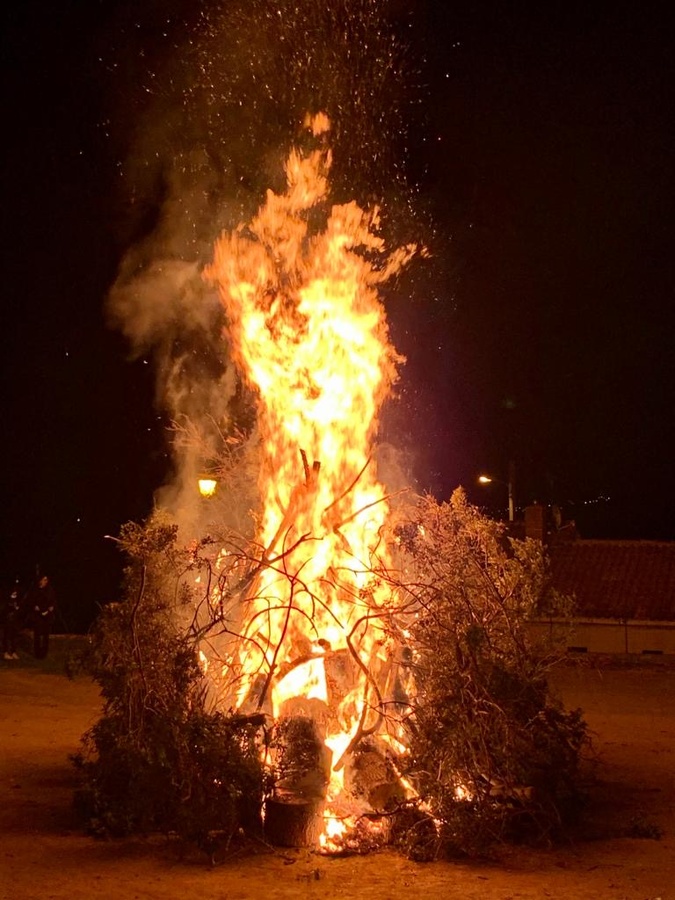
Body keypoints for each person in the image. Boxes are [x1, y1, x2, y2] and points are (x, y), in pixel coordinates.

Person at [29, 575, 56, 660]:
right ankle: (37, 653)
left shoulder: (50, 590)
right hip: (37, 615)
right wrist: (35, 606)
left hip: (47, 614)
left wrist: (51, 608)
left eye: (46, 580)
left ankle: (44, 654)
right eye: (44, 580)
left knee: (45, 635)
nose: (45, 581)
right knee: (37, 635)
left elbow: (53, 601)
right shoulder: (35, 590)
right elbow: (32, 601)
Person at [1, 578, 22, 660]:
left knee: (14, 636)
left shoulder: (17, 599)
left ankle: (13, 652)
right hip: (7, 619)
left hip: (15, 620)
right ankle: (6, 652)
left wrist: (17, 608)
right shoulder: (6, 598)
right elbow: (4, 608)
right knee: (7, 636)